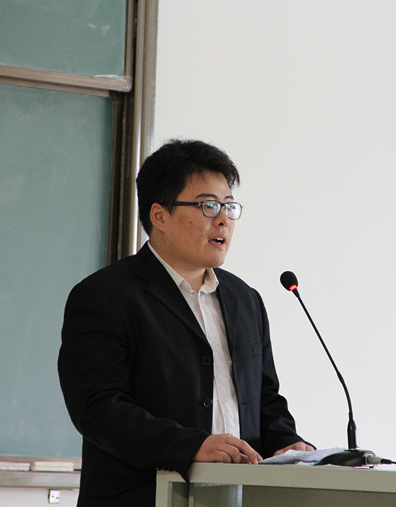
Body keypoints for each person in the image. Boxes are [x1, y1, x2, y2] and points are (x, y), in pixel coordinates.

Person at [58, 139, 313, 506]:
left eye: (229, 206)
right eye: (208, 205)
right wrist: (192, 446)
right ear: (159, 216)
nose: (223, 219)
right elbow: (99, 408)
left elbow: (265, 399)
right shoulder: (105, 296)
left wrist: (287, 444)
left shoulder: (245, 300)